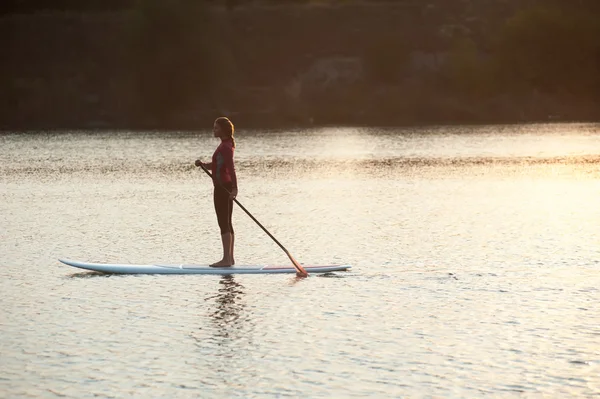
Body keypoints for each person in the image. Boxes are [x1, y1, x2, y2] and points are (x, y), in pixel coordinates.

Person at [195, 117, 238, 267]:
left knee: (223, 223)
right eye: (214, 127)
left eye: (216, 128)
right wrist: (204, 165)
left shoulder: (225, 147)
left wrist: (234, 189)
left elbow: (231, 168)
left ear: (224, 130)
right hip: (223, 187)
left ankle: (226, 259)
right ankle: (229, 259)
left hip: (223, 188)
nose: (214, 130)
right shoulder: (225, 145)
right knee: (227, 222)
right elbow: (219, 165)